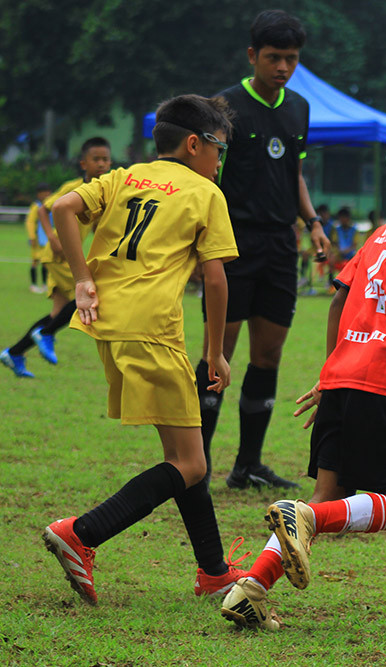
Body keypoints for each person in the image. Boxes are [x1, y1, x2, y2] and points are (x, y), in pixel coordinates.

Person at [220, 118, 386, 629]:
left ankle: (249, 589)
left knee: (325, 495)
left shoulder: (384, 231)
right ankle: (303, 519)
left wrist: (330, 372)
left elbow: (339, 301)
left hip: (341, 375)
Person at [42, 94, 248, 605]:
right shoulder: (206, 192)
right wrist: (216, 352)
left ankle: (214, 571)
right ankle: (81, 534)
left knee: (184, 455)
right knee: (192, 464)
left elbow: (62, 208)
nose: (220, 160)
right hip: (154, 330)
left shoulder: (126, 176)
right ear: (195, 144)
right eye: (220, 149)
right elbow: (216, 280)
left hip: (108, 323)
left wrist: (83, 280)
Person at [199, 9, 332, 490]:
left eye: (291, 59)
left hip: (280, 245)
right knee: (218, 354)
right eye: (274, 57)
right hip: (232, 243)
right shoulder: (224, 108)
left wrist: (312, 222)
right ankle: (196, 467)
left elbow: (294, 174)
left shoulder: (299, 107)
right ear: (253, 55)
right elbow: (206, 178)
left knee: (269, 354)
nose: (283, 67)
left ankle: (248, 466)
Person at [1, 138, 111, 378]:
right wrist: (52, 237)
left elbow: (94, 225)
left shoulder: (101, 191)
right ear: (84, 163)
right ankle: (46, 334)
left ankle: (15, 353)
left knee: (57, 313)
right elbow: (44, 208)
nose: (102, 164)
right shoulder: (74, 187)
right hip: (58, 255)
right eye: (96, 159)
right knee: (88, 294)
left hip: (67, 256)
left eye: (105, 159)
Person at [25, 182, 53, 294]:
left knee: (46, 262)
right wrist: (32, 237)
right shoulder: (35, 206)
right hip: (37, 239)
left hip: (48, 238)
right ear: (38, 194)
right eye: (43, 193)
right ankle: (33, 284)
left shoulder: (50, 205)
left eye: (47, 193)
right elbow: (30, 222)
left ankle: (45, 284)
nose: (46, 195)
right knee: (35, 261)